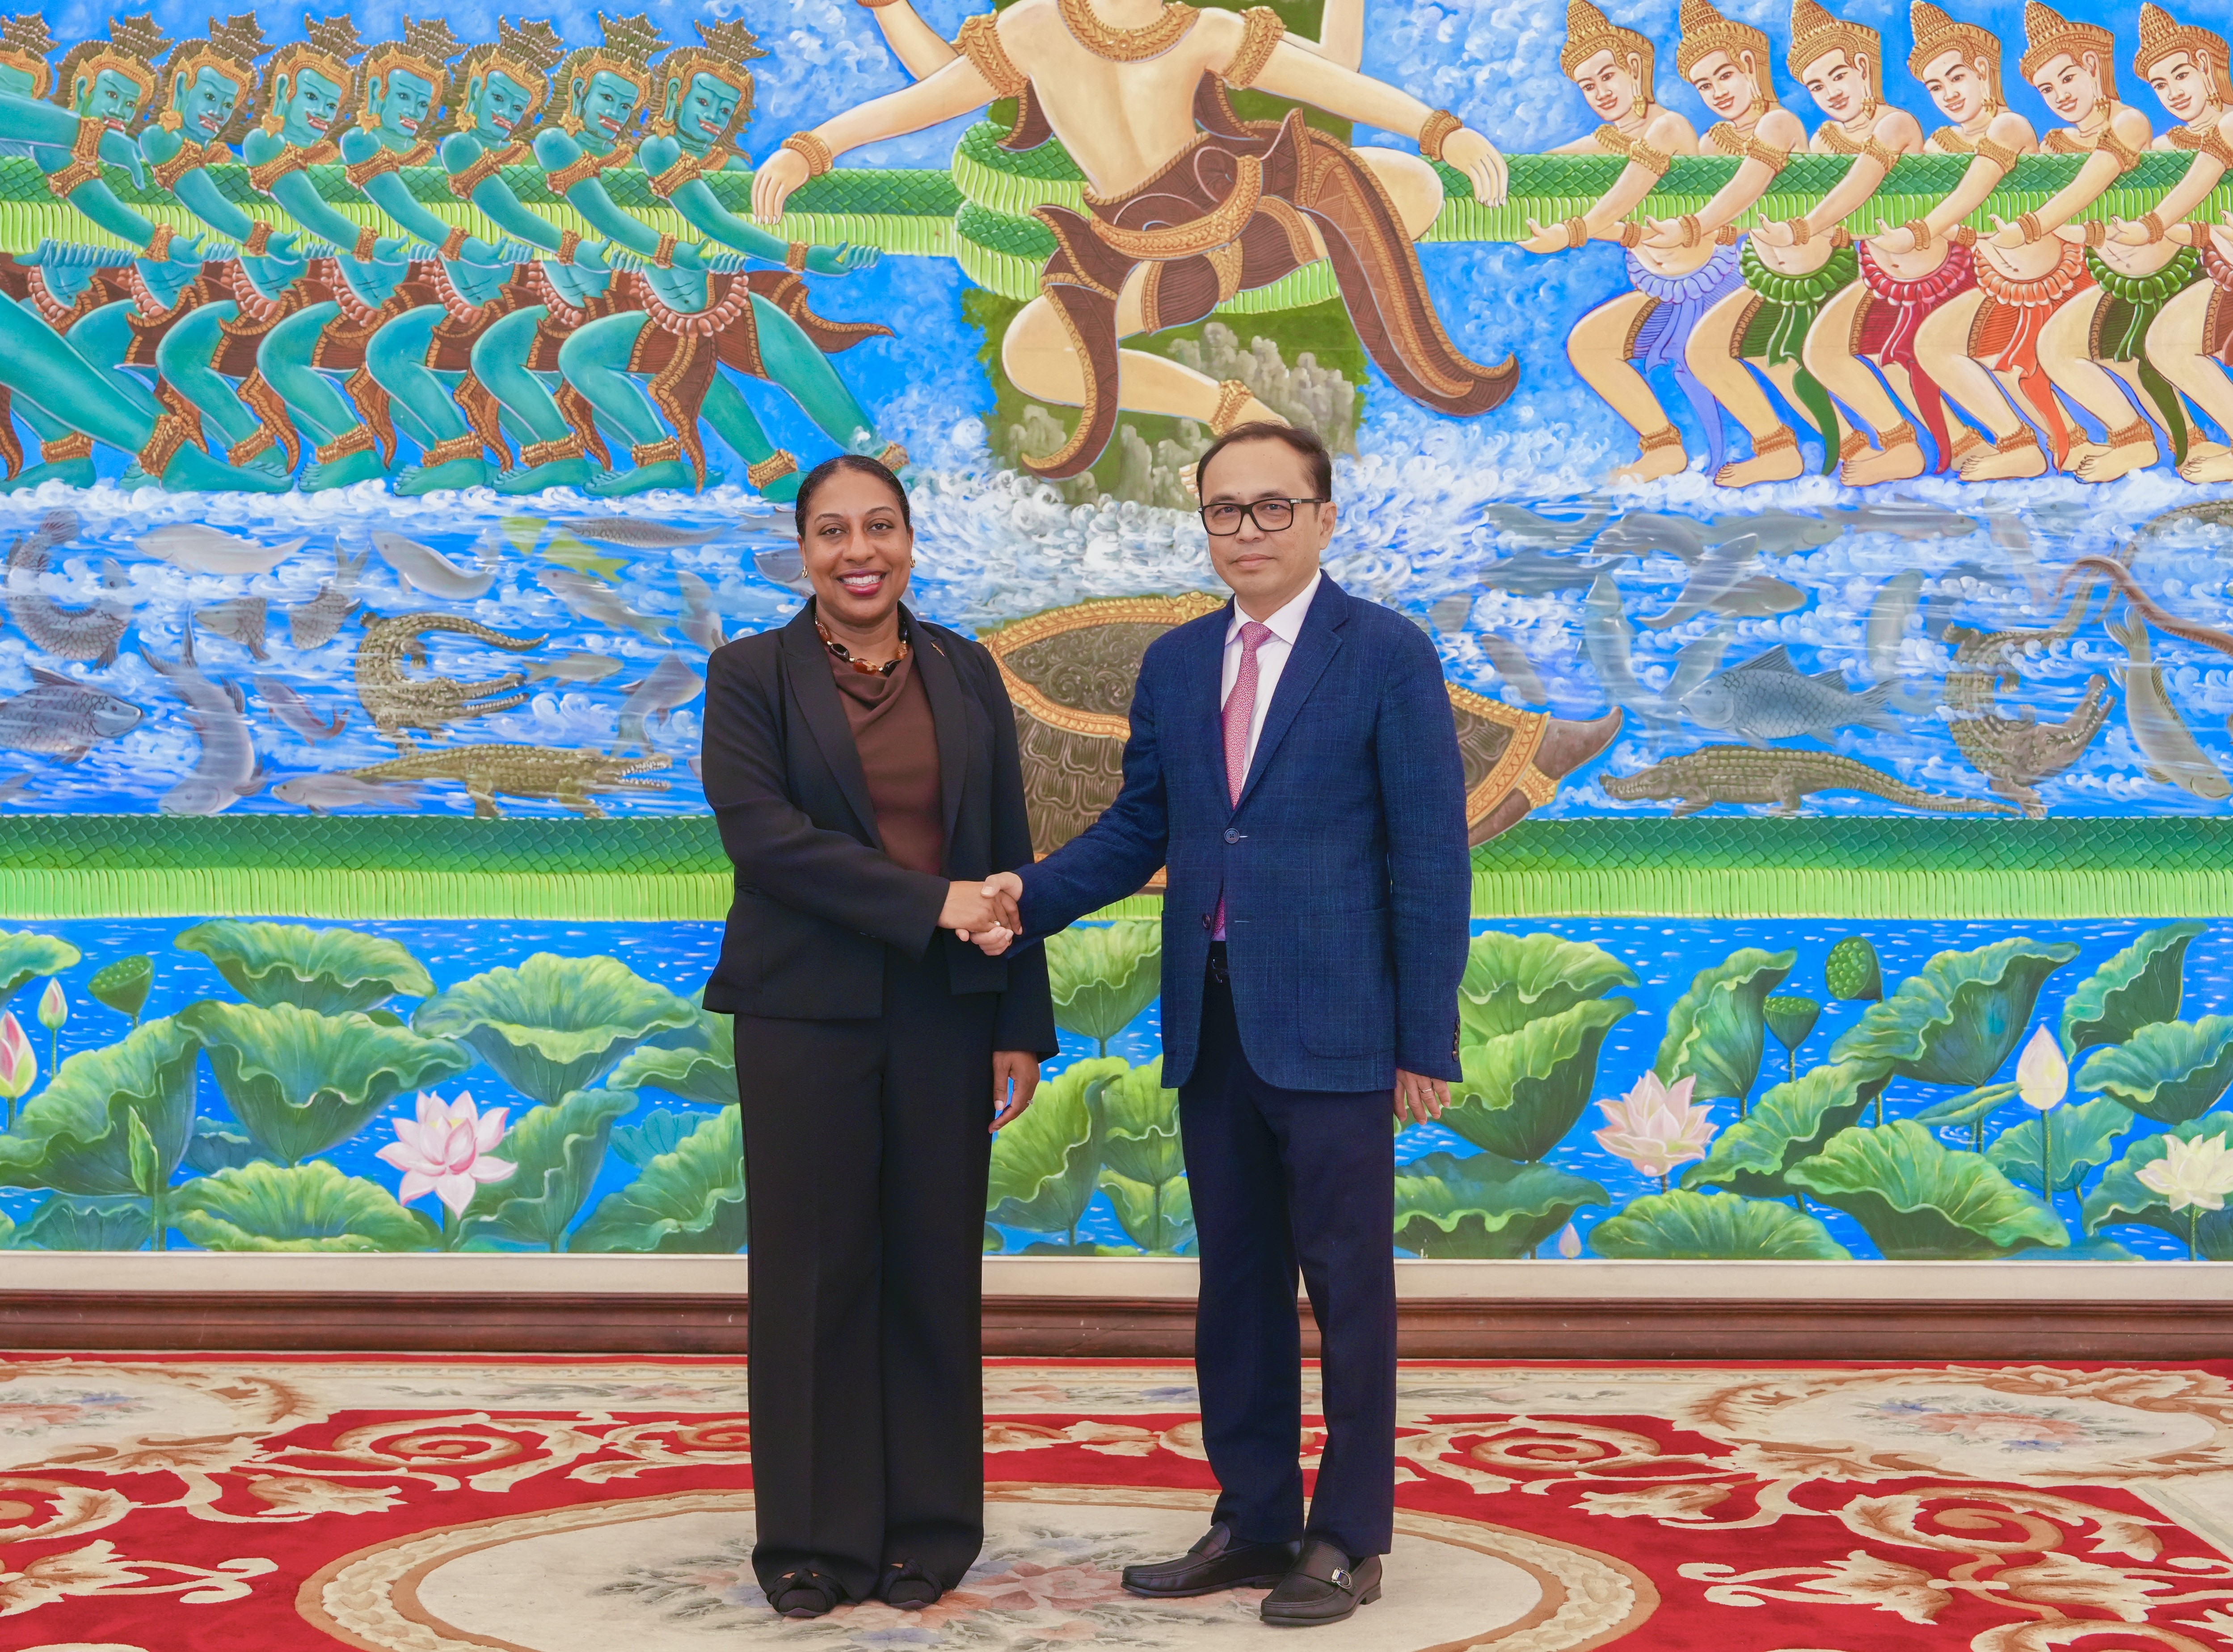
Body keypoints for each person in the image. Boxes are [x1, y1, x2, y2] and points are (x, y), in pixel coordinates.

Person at [979, 423, 1470, 1628]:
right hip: (1211, 1022)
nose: (1246, 530)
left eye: (1271, 507)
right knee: (1236, 1287)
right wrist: (1022, 898)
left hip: (1340, 1028)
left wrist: (1425, 1037)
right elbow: (1139, 827)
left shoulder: (1387, 654)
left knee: (1347, 1289)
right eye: (1223, 510)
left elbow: (1430, 855)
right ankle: (1254, 1519)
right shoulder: (1177, 662)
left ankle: (1346, 1537)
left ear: (1323, 517)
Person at [698, 454, 1056, 1621]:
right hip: (802, 1012)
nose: (861, 551)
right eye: (834, 531)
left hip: (948, 1011)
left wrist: (1020, 1019)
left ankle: (929, 1532)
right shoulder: (749, 675)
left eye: (881, 526)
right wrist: (935, 903)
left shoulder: (964, 666)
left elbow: (1004, 839)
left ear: (909, 539)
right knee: (816, 1275)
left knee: (932, 1269)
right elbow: (767, 842)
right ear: (801, 550)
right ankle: (811, 1542)